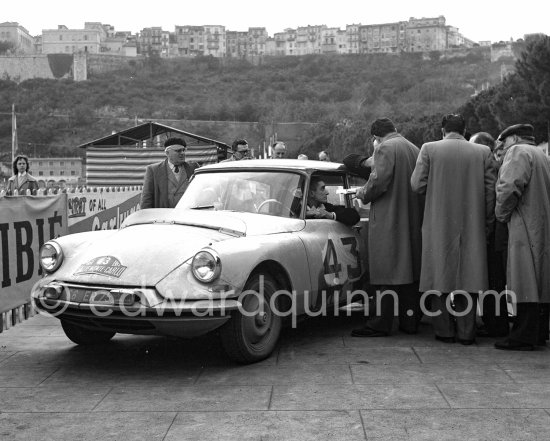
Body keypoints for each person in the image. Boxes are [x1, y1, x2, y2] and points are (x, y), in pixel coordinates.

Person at [410, 114, 496, 345]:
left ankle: (444, 331)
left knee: (439, 276)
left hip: (438, 222)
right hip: (472, 223)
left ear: (442, 130)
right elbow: (491, 195)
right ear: (465, 129)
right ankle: (467, 332)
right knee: (469, 276)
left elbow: (417, 185)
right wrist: (486, 224)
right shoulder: (483, 152)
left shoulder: (429, 149)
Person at [344, 117, 423, 337]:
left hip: (389, 217)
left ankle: (381, 323)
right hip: (412, 216)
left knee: (385, 269)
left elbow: (378, 181)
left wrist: (361, 193)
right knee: (409, 270)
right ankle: (410, 321)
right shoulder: (413, 148)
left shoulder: (385, 148)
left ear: (375, 138)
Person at [493, 124, 550, 351]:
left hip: (523, 222)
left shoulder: (518, 152)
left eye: (504, 142)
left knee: (524, 279)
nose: (503, 147)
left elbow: (509, 188)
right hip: (541, 222)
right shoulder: (541, 155)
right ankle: (537, 333)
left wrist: (501, 214)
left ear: (514, 138)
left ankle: (522, 336)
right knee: (539, 280)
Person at [469, 132, 509, 338]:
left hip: (492, 231)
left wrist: (486, 228)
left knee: (493, 279)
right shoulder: (495, 163)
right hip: (495, 229)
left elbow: (490, 199)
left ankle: (495, 324)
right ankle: (493, 321)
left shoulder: (490, 165)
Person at [140, 137, 199, 209]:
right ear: (167, 153)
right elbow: (146, 198)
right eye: (178, 151)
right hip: (164, 217)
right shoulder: (153, 170)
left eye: (184, 150)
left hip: (187, 216)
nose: (182, 153)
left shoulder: (193, 168)